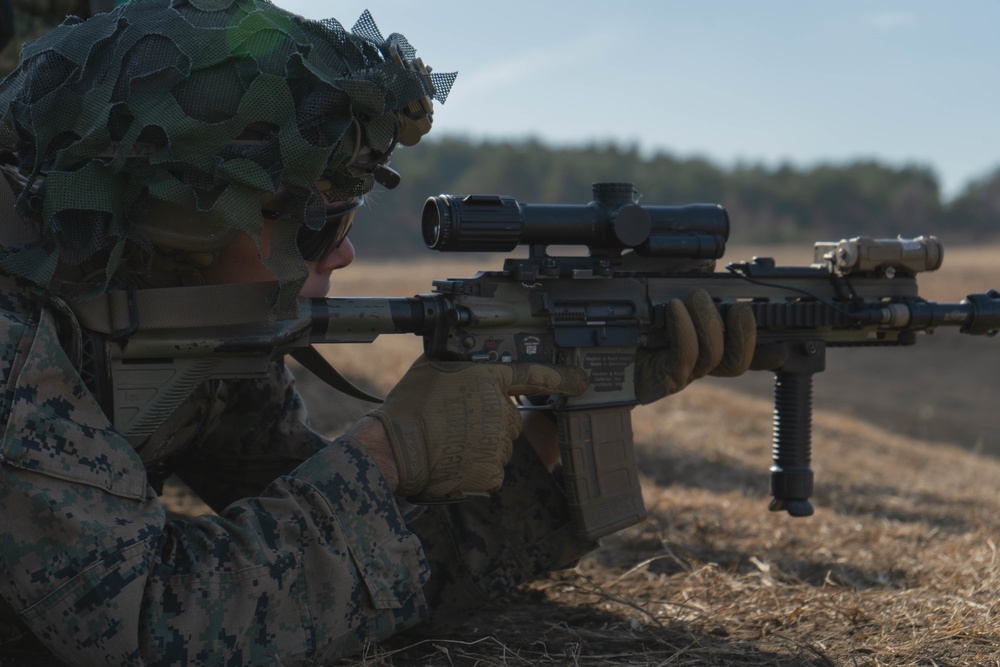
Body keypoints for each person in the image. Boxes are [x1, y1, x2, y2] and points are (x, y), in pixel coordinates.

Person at [0, 1, 760, 664]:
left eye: (350, 214)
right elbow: (150, 623)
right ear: (186, 213)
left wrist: (561, 417)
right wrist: (386, 451)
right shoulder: (14, 335)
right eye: (319, 218)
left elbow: (349, 570)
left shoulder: (195, 323)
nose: (343, 250)